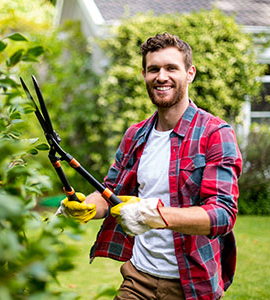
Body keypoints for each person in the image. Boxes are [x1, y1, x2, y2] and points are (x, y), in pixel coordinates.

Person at [56, 33, 242, 300]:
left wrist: (152, 215)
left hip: (190, 283)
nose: (161, 76)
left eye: (171, 68)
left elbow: (223, 215)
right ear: (143, 74)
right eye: (154, 69)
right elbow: (109, 193)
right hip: (138, 277)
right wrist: (87, 206)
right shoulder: (136, 135)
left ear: (190, 73)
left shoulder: (215, 133)